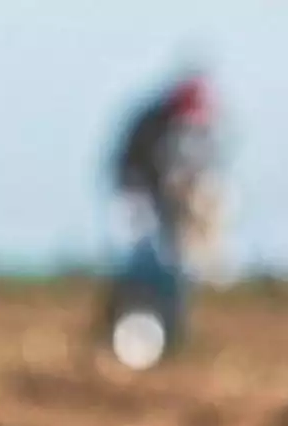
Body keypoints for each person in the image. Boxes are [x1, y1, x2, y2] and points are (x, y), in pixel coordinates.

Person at [102, 68, 222, 357]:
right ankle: (117, 326)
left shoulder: (199, 130)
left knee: (175, 269)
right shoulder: (151, 123)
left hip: (168, 205)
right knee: (141, 264)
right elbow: (135, 169)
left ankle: (173, 333)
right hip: (138, 197)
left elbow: (197, 172)